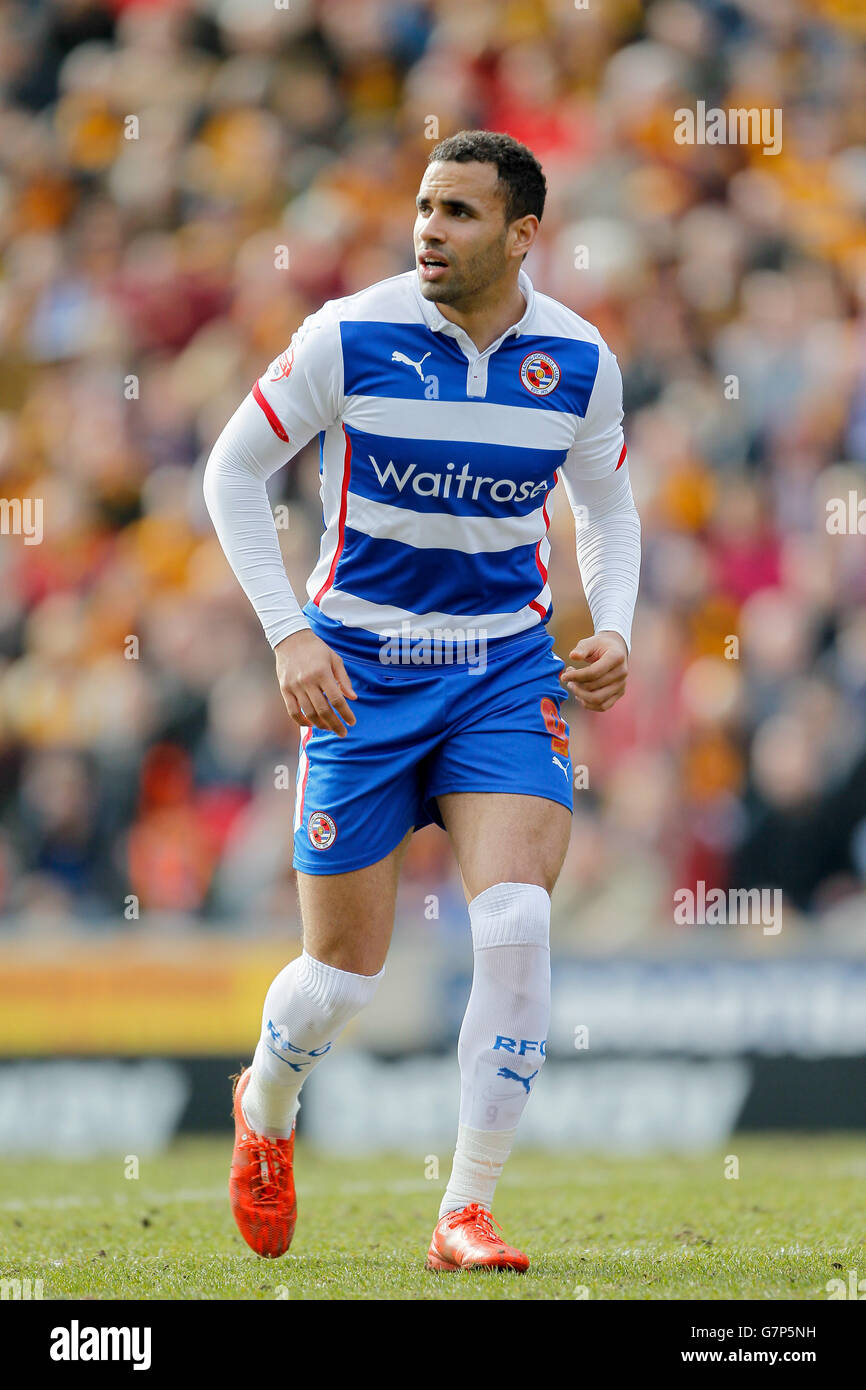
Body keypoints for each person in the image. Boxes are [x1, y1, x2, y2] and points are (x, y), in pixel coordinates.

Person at [203, 129, 640, 1272]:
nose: (428, 230)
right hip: (359, 674)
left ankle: (464, 1209)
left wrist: (616, 625)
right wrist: (290, 633)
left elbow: (609, 507)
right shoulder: (346, 333)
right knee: (340, 979)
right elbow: (230, 471)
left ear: (521, 233)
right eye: (423, 207)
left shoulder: (579, 359)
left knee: (516, 918)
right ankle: (268, 1103)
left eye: (457, 212)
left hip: (501, 669)